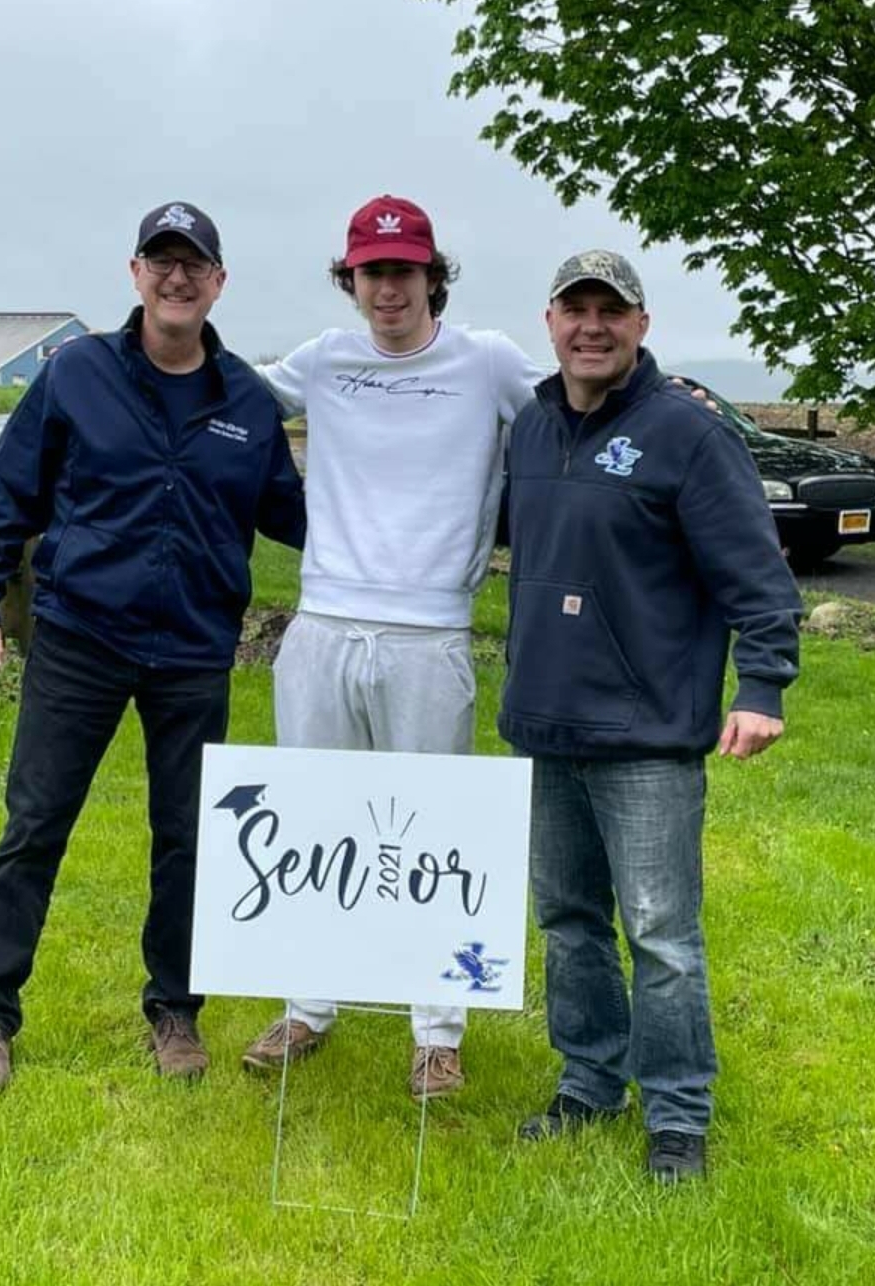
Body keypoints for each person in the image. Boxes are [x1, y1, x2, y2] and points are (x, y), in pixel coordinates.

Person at [0, 201, 306, 1092]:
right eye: (162, 260)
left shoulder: (249, 405)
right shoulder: (77, 375)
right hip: (82, 638)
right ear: (135, 272)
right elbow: (10, 491)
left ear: (219, 282)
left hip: (193, 651)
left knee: (190, 837)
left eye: (195, 263)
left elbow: (300, 518)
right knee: (34, 825)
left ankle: (175, 1009)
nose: (177, 277)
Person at [500, 250, 801, 1181]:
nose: (592, 327)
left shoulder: (690, 434)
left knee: (663, 933)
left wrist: (762, 687)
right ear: (549, 321)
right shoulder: (532, 427)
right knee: (567, 919)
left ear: (642, 324)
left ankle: (677, 1116)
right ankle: (590, 1082)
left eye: (611, 312)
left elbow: (757, 576)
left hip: (648, 739)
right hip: (547, 728)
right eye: (574, 309)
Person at [240, 195, 546, 1099]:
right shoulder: (325, 361)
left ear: (430, 275)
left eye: (403, 271)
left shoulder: (487, 362)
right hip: (323, 623)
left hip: (431, 633)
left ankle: (436, 1033)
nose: (387, 290)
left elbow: (575, 400)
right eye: (371, 273)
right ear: (352, 280)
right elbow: (223, 384)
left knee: (430, 829)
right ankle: (308, 1007)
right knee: (315, 819)